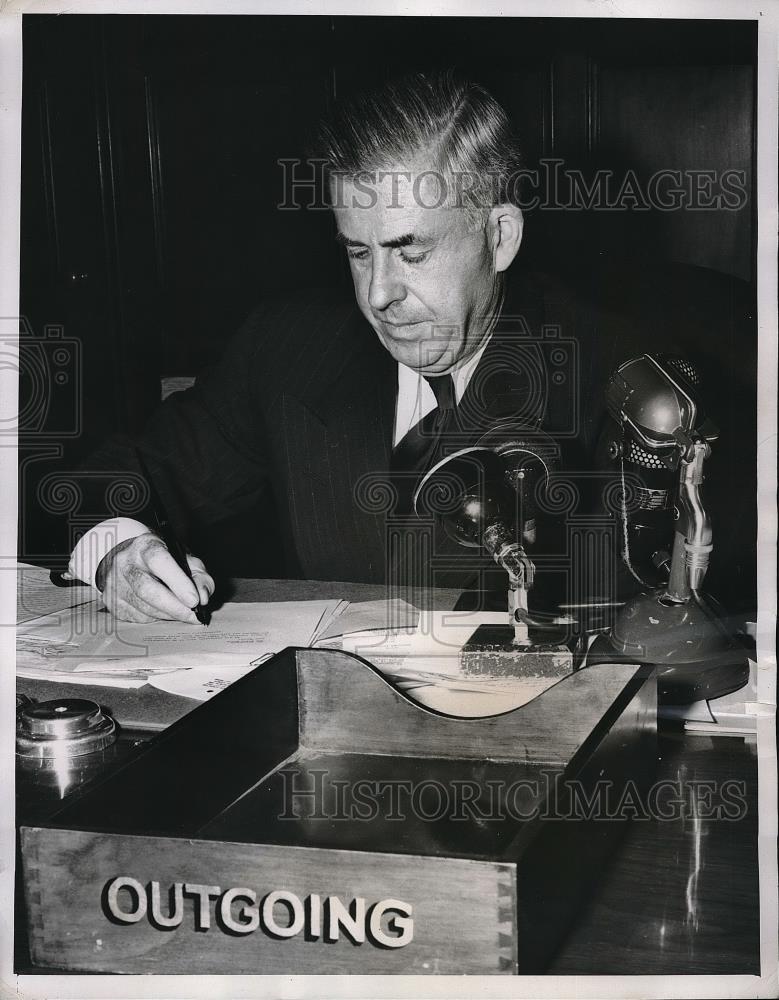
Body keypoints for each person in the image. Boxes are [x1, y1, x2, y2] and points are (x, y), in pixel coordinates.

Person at [58, 71, 756, 625]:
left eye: (410, 251)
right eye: (358, 253)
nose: (379, 295)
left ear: (500, 236)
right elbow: (111, 476)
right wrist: (116, 547)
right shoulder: (288, 349)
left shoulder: (628, 385)